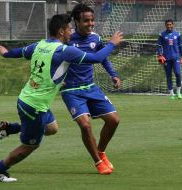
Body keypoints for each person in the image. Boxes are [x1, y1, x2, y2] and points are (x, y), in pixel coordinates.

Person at [0, 14, 123, 182]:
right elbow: (96, 58)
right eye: (69, 29)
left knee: (51, 129)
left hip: (32, 100)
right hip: (34, 105)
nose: (71, 31)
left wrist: (6, 54)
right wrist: (112, 43)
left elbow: (20, 52)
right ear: (61, 31)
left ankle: (9, 128)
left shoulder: (40, 44)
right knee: (31, 144)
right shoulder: (65, 50)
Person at [61, 3, 120, 174]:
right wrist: (56, 79)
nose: (90, 24)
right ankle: (98, 161)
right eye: (86, 21)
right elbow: (53, 59)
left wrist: (113, 74)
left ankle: (100, 151)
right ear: (76, 22)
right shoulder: (67, 39)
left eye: (92, 20)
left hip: (91, 87)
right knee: (85, 126)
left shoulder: (95, 38)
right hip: (71, 90)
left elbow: (103, 58)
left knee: (114, 121)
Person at [157, 19, 182, 100]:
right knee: (168, 76)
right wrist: (160, 55)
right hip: (166, 59)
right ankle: (172, 94)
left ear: (173, 25)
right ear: (165, 25)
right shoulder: (162, 35)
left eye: (170, 24)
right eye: (167, 24)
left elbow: (181, 45)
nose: (169, 26)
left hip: (176, 58)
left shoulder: (177, 34)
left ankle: (178, 92)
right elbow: (159, 46)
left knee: (178, 74)